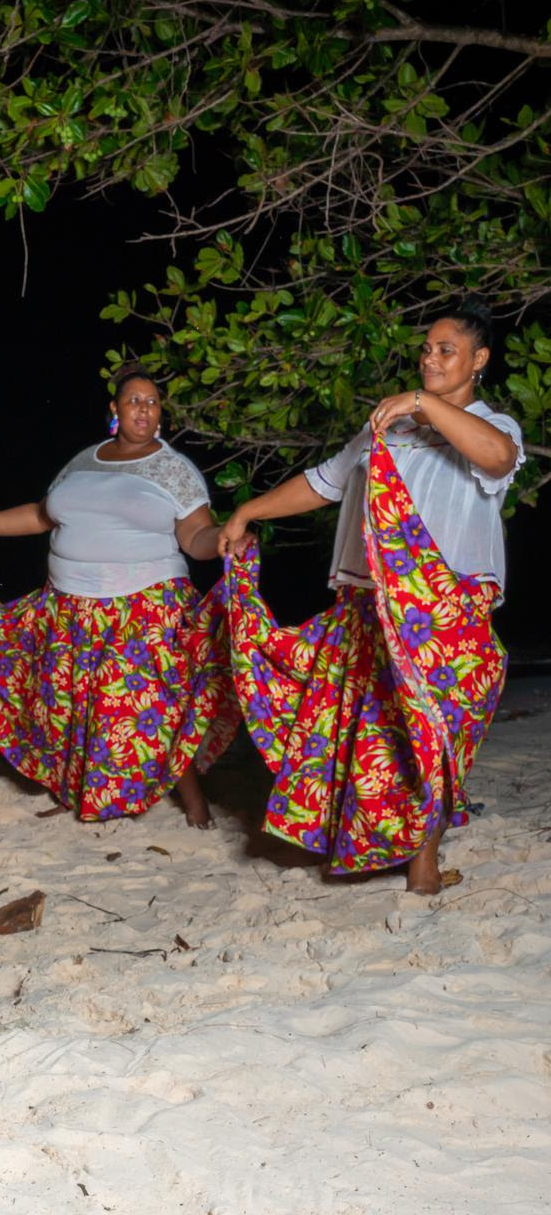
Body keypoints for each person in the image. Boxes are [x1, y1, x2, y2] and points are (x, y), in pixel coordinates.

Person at [216, 297, 519, 893]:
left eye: (446, 350)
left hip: (444, 611)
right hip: (368, 605)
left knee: (434, 731)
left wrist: (424, 402)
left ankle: (423, 860)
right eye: (427, 349)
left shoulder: (492, 424)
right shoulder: (388, 424)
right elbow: (324, 482)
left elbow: (498, 458)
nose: (431, 359)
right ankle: (346, 838)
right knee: (367, 728)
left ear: (478, 359)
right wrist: (248, 510)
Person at [0, 368, 236, 828]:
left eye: (153, 403)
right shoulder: (82, 461)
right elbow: (41, 516)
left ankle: (192, 797)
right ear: (113, 410)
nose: (144, 410)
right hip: (68, 607)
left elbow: (194, 535)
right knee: (67, 706)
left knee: (148, 708)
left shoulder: (174, 469)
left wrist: (222, 539)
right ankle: (73, 788)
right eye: (134, 401)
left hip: (143, 605)